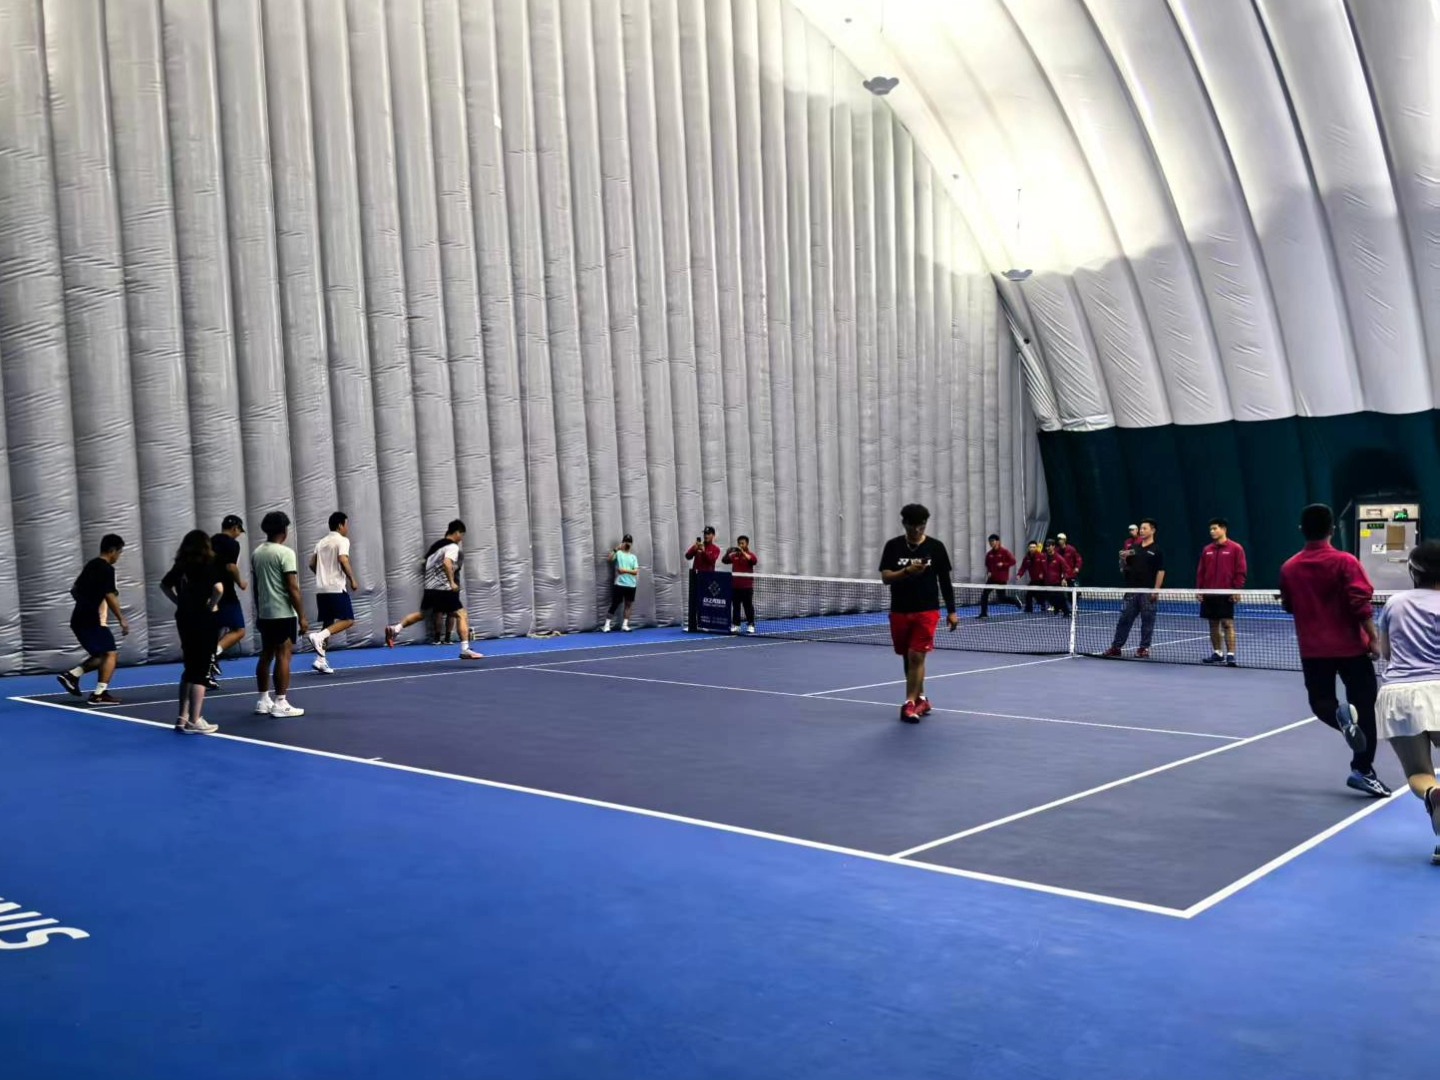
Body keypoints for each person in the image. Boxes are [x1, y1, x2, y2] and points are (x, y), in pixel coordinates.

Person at [1278, 503, 1390, 798]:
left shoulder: (1289, 568)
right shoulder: (1346, 561)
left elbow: (1288, 605)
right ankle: (1363, 771)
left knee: (1321, 703)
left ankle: (1343, 721)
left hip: (1313, 651)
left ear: (1301, 530)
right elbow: (1360, 603)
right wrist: (1373, 637)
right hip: (1352, 649)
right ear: (1332, 529)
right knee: (1365, 708)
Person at [1375, 541, 1440, 859]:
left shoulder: (1394, 603)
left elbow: (1385, 653)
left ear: (1414, 571)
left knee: (1419, 773)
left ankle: (1432, 793)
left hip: (1398, 695)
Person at [878, 503, 959, 723]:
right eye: (912, 526)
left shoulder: (936, 547)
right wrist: (907, 571)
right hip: (900, 610)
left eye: (921, 526)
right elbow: (885, 578)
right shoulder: (893, 546)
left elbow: (945, 582)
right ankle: (921, 699)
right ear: (904, 523)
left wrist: (952, 611)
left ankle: (909, 704)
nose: (916, 530)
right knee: (908, 656)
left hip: (927, 611)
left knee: (916, 655)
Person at [385, 520, 484, 660]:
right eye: (462, 535)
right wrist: (451, 583)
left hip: (430, 588)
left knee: (422, 614)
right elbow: (447, 563)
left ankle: (395, 629)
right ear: (457, 533)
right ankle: (465, 649)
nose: (461, 539)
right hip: (443, 588)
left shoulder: (435, 547)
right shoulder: (452, 546)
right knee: (462, 614)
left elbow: (425, 563)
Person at [159, 530, 225, 734]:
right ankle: (195, 719)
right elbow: (219, 589)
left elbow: (164, 585)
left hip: (184, 617)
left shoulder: (181, 565)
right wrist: (211, 605)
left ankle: (182, 717)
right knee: (202, 669)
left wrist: (179, 601)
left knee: (189, 666)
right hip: (204, 618)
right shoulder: (208, 565)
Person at [57, 534, 130, 705]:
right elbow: (110, 595)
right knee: (110, 653)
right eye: (119, 552)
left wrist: (84, 603)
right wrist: (121, 619)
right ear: (112, 551)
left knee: (102, 655)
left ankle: (72, 675)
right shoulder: (107, 569)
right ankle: (99, 694)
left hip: (79, 617)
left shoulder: (91, 565)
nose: (118, 556)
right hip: (91, 619)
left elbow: (74, 590)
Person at [251, 511, 308, 718]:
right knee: (284, 655)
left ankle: (262, 700)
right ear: (284, 531)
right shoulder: (285, 553)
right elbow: (292, 587)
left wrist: (259, 611)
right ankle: (281, 702)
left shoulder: (257, 553)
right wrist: (302, 616)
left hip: (266, 613)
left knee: (266, 654)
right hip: (283, 612)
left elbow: (256, 587)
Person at [1105, 518, 1164, 659]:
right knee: (1124, 620)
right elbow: (1125, 567)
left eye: (1144, 528)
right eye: (1140, 528)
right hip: (1132, 591)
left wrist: (1156, 590)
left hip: (1147, 592)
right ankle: (1116, 647)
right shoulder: (1134, 549)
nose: (1141, 531)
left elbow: (1161, 571)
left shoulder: (1157, 550)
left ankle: (1144, 649)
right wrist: (1122, 558)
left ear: (1152, 530)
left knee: (1147, 621)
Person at [307, 511, 358, 674]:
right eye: (346, 524)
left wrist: (323, 576)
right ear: (340, 525)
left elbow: (312, 564)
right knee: (348, 620)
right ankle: (318, 637)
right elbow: (343, 559)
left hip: (322, 589)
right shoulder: (342, 540)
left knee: (328, 623)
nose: (347, 528)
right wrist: (352, 579)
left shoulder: (321, 542)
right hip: (336, 587)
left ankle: (320, 660)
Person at [1196, 517, 1247, 667]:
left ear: (1223, 529)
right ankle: (1218, 653)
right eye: (1210, 529)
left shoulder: (1236, 548)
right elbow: (1201, 571)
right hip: (1209, 593)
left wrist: (1236, 590)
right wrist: (1199, 590)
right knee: (1213, 624)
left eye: (1215, 528)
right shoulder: (1207, 550)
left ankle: (1231, 655)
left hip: (1226, 593)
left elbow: (1241, 571)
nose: (1212, 532)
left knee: (1227, 624)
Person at [210, 515, 248, 683]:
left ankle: (207, 674)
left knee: (215, 631)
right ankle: (212, 654)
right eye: (239, 531)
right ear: (235, 528)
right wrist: (240, 582)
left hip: (208, 592)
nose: (238, 534)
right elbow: (231, 567)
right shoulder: (232, 544)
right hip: (226, 593)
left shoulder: (210, 541)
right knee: (239, 629)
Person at [683, 526, 721, 631]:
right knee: (694, 601)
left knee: (705, 602)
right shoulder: (698, 546)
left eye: (708, 534)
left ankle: (705, 623)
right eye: (705, 534)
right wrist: (694, 548)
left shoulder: (716, 549)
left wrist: (704, 551)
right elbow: (687, 556)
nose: (706, 536)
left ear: (713, 535)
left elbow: (711, 561)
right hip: (695, 577)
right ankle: (693, 625)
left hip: (708, 578)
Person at [603, 534, 640, 632]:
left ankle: (625, 625)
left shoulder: (633, 557)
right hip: (620, 584)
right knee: (615, 604)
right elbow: (609, 559)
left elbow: (636, 571)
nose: (628, 543)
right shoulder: (618, 553)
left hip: (631, 584)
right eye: (626, 541)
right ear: (623, 542)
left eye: (629, 542)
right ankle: (606, 625)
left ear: (631, 544)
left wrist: (624, 571)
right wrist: (616, 549)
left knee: (628, 605)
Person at [723, 535, 760, 634]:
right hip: (735, 587)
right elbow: (724, 560)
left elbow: (754, 561)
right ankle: (736, 625)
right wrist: (727, 553)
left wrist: (743, 552)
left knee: (748, 606)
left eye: (742, 543)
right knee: (736, 607)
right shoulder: (734, 555)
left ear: (747, 544)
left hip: (747, 587)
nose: (740, 545)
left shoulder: (750, 555)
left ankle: (751, 625)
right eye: (739, 543)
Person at [978, 534, 1020, 619]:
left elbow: (1013, 561)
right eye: (990, 541)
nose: (991, 543)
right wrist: (989, 572)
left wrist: (1003, 564)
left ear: (998, 542)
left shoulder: (1005, 552)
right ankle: (983, 613)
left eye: (993, 541)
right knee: (984, 594)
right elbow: (987, 565)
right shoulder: (989, 554)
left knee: (1001, 598)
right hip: (992, 579)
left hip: (1001, 579)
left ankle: (1015, 600)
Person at [1042, 538, 1072, 616]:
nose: (1047, 548)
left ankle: (1067, 612)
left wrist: (1064, 579)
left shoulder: (1059, 558)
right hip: (1047, 582)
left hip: (1057, 583)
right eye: (1046, 546)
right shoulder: (1044, 557)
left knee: (1061, 598)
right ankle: (1057, 607)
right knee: (1049, 598)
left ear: (1053, 546)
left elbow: (1066, 569)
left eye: (1049, 546)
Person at [1017, 541, 1047, 613]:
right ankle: (1029, 609)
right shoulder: (1026, 558)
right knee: (1029, 595)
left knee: (1039, 595)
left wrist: (1042, 574)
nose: (1032, 549)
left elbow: (1045, 567)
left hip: (1042, 581)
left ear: (1036, 548)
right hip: (1033, 580)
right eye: (1031, 547)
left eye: (1034, 547)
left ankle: (1043, 605)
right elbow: (1023, 568)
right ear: (1028, 548)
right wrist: (1019, 575)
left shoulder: (1041, 556)